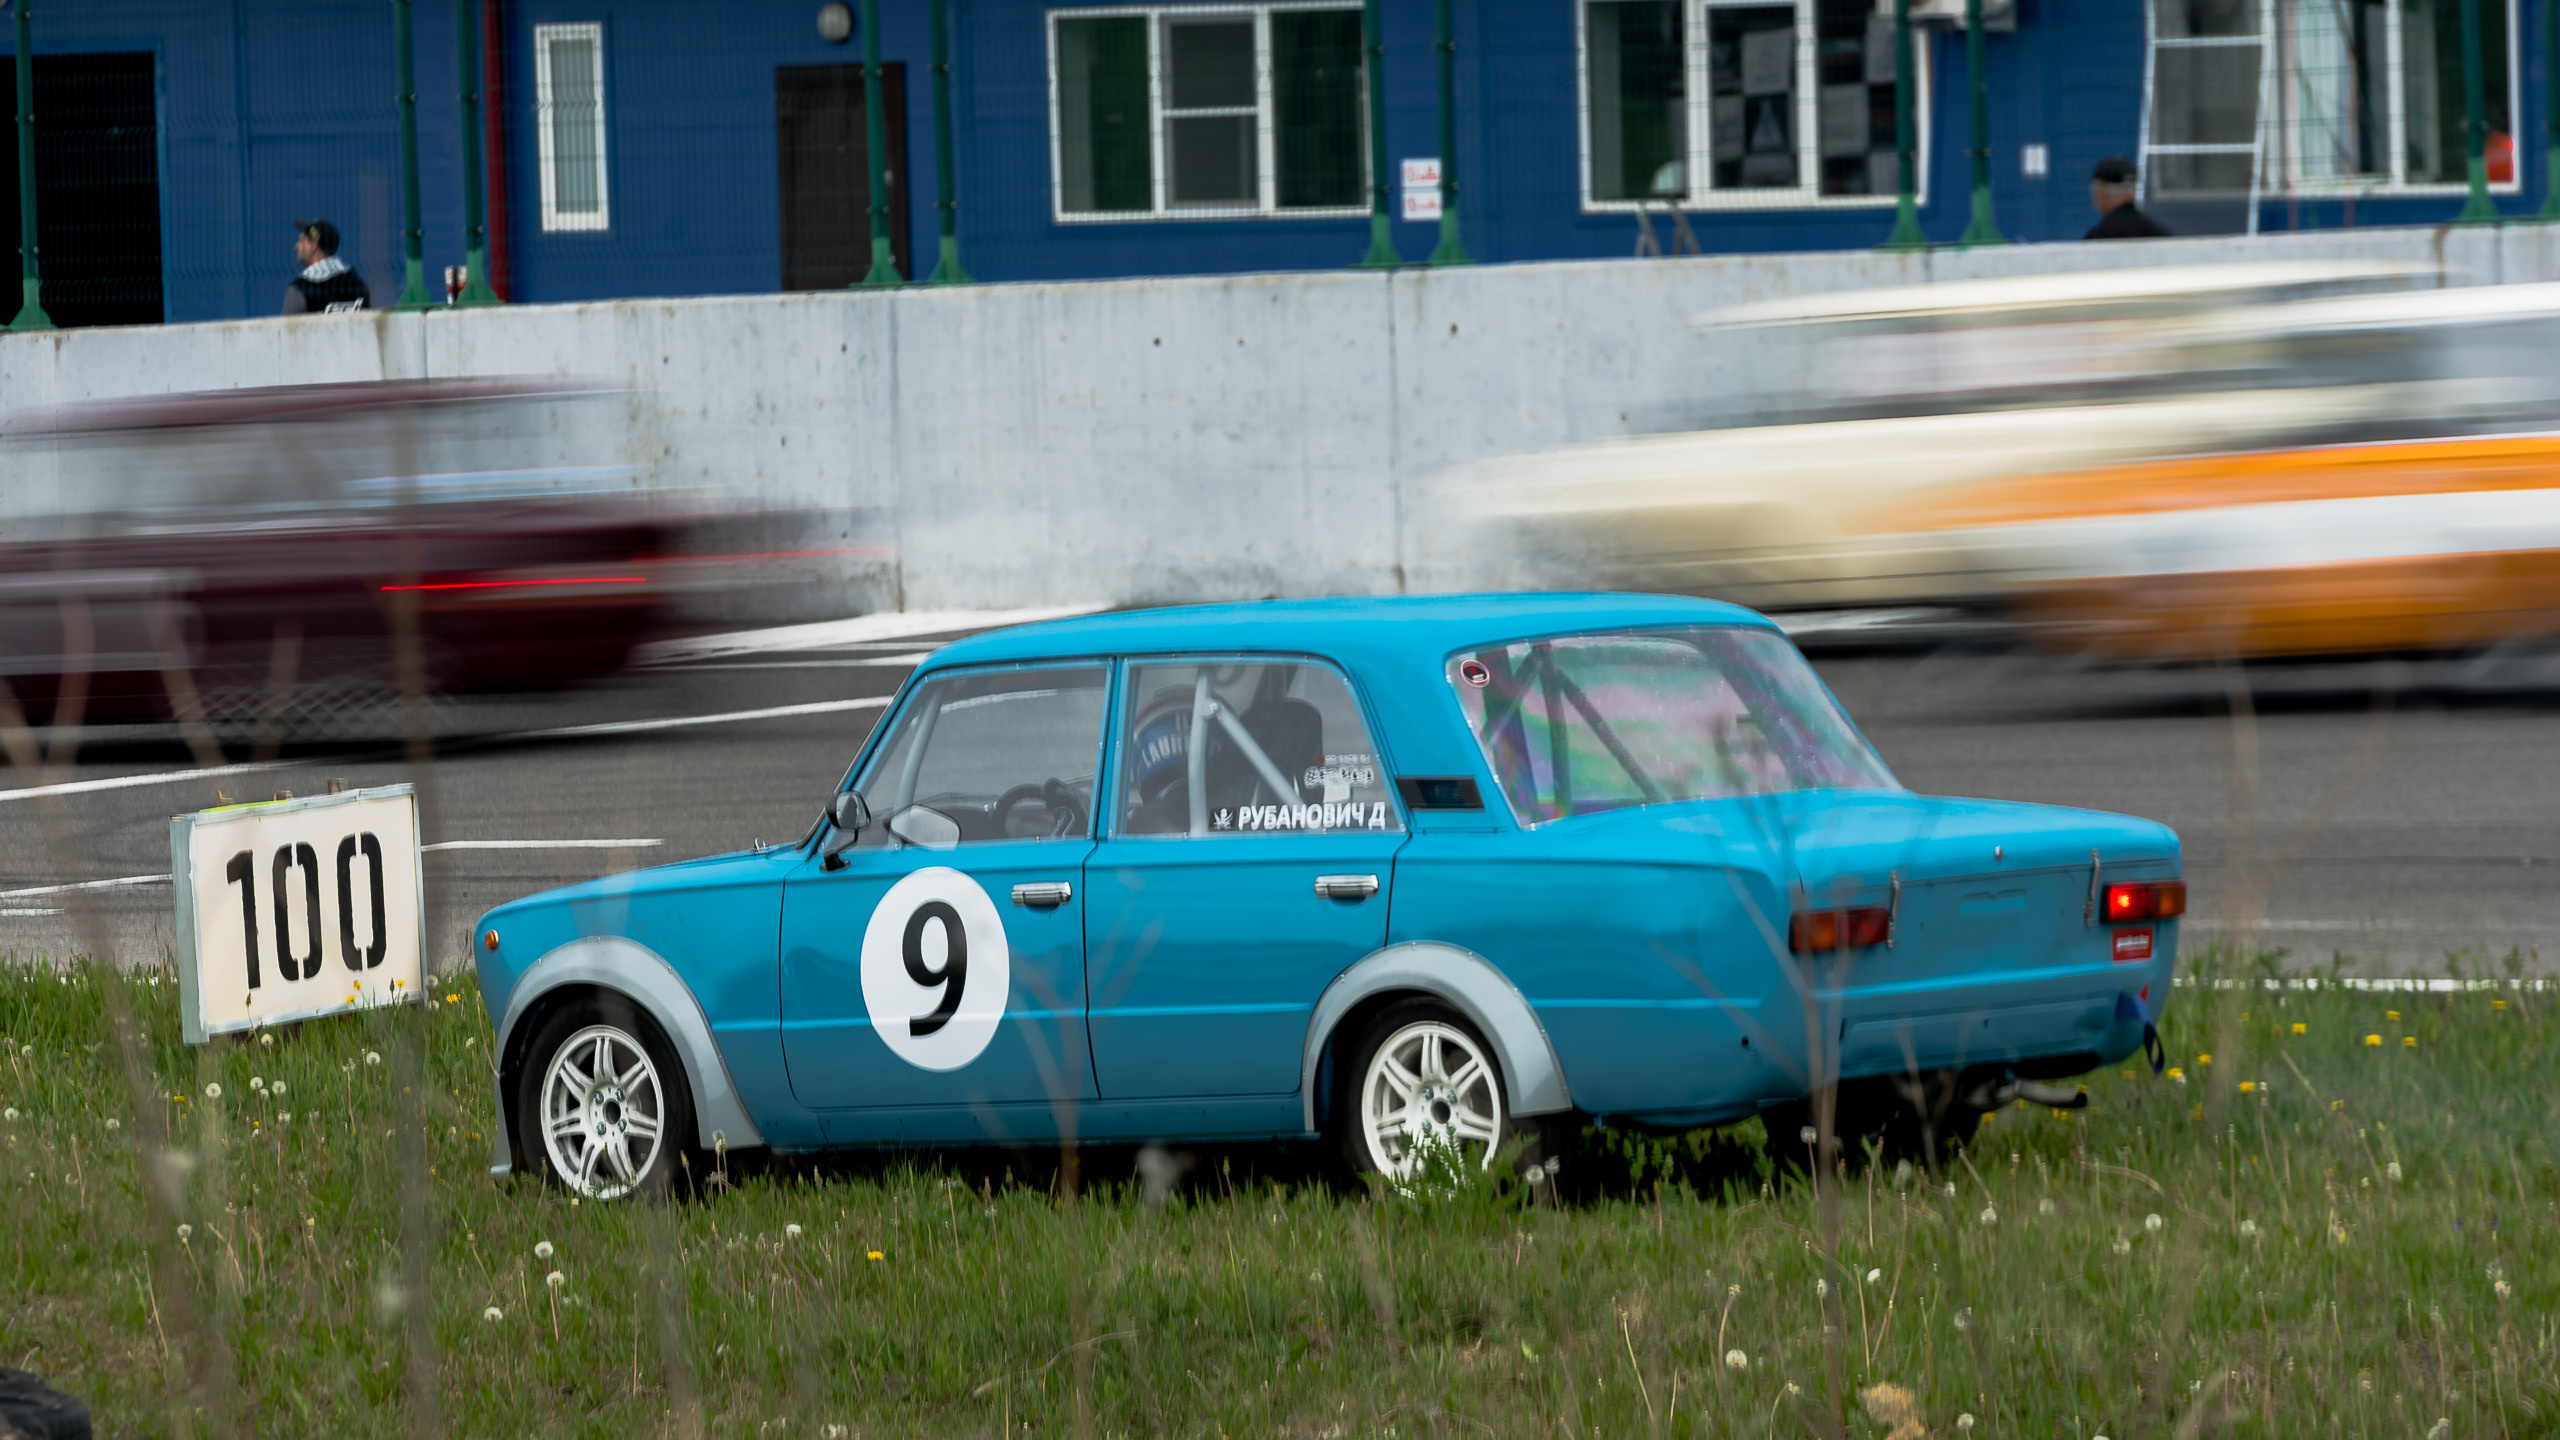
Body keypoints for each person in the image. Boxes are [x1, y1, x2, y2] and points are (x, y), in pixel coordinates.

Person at [282, 219, 373, 313]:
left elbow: (286, 326)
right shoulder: (357, 284)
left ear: (313, 246)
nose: (296, 246)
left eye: (301, 241)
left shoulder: (300, 289)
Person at [2083, 156, 2170, 240]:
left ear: (2103, 192)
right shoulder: (2159, 236)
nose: (2094, 198)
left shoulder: (2096, 238)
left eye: (2095, 191)